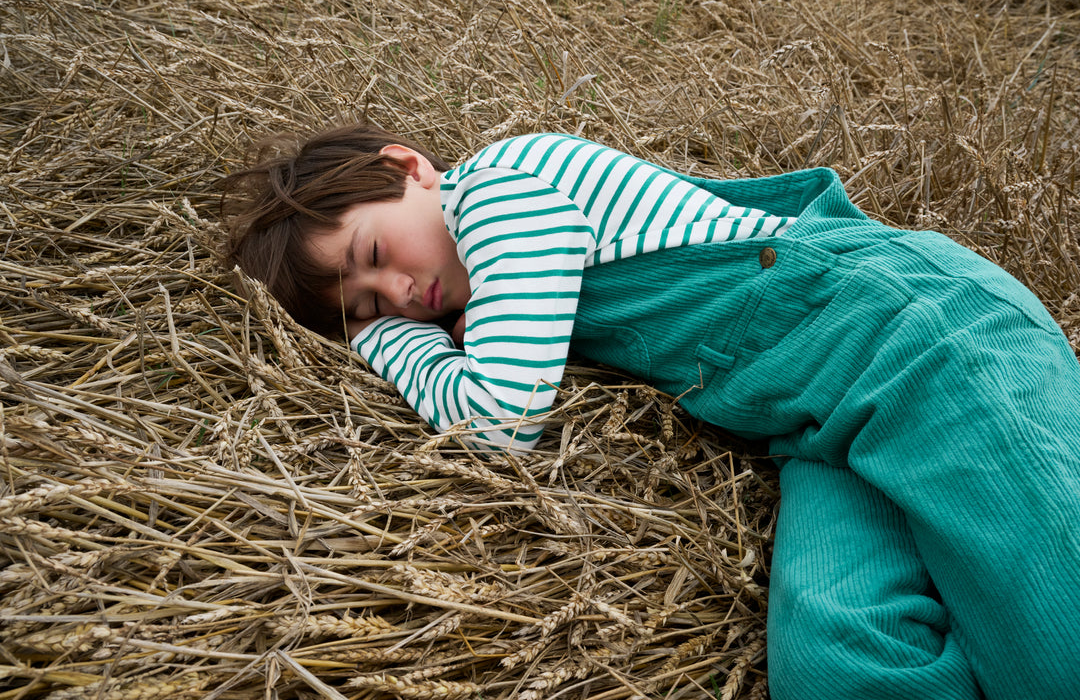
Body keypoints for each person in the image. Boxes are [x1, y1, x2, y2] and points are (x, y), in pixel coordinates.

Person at [223, 123, 1080, 700]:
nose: (399, 293)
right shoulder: (487, 300)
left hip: (921, 335)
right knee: (838, 654)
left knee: (1048, 599)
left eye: (373, 255)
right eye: (367, 306)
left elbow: (498, 421)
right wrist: (408, 330)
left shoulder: (497, 192)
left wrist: (389, 345)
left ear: (409, 167)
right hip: (820, 423)